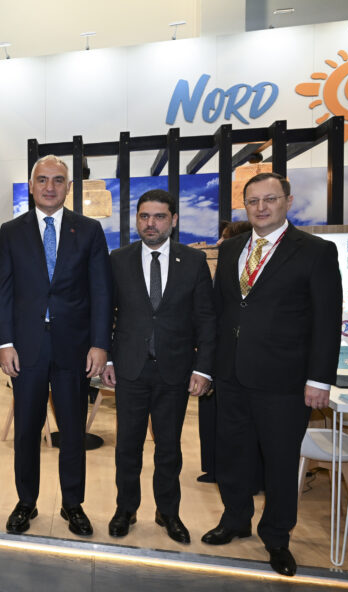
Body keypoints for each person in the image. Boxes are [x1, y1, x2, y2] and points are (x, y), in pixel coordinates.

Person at [203, 172, 342, 577]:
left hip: (285, 381)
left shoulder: (315, 251)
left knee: (280, 461)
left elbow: (326, 320)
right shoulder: (231, 249)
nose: (261, 207)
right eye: (253, 201)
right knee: (232, 454)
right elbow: (221, 311)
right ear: (244, 206)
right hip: (231, 374)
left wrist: (319, 380)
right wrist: (209, 366)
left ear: (288, 201)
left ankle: (277, 537)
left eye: (270, 199)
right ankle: (235, 519)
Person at [0, 155, 113, 537]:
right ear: (31, 186)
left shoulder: (89, 230)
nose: (49, 186)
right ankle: (25, 502)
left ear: (68, 187)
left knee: (73, 432)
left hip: (74, 349)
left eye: (58, 180)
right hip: (25, 349)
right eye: (42, 180)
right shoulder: (10, 232)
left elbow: (101, 291)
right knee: (26, 431)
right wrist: (5, 343)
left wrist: (100, 344)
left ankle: (72, 505)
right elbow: (2, 293)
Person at [101, 189, 215, 544]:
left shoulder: (193, 262)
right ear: (137, 220)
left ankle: (168, 512)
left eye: (159, 217)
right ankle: (126, 509)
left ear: (173, 220)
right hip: (130, 369)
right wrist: (107, 358)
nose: (151, 223)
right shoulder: (118, 260)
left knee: (169, 448)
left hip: (175, 371)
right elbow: (105, 313)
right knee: (127, 447)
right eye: (144, 216)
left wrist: (203, 369)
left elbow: (206, 319)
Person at [197, 219, 253, 484]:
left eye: (225, 238)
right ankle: (216, 468)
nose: (219, 242)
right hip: (217, 358)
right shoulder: (221, 266)